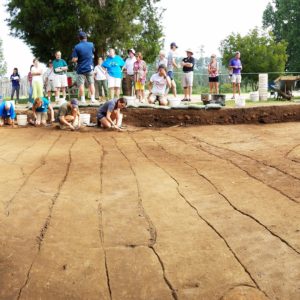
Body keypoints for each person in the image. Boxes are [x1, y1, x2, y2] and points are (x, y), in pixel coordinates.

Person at [72, 31, 96, 104]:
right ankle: (93, 99)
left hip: (81, 68)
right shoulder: (91, 44)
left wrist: (73, 59)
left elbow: (75, 59)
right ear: (86, 37)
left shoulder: (77, 47)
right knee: (91, 83)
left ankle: (83, 100)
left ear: (79, 38)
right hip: (89, 67)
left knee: (81, 85)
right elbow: (92, 53)